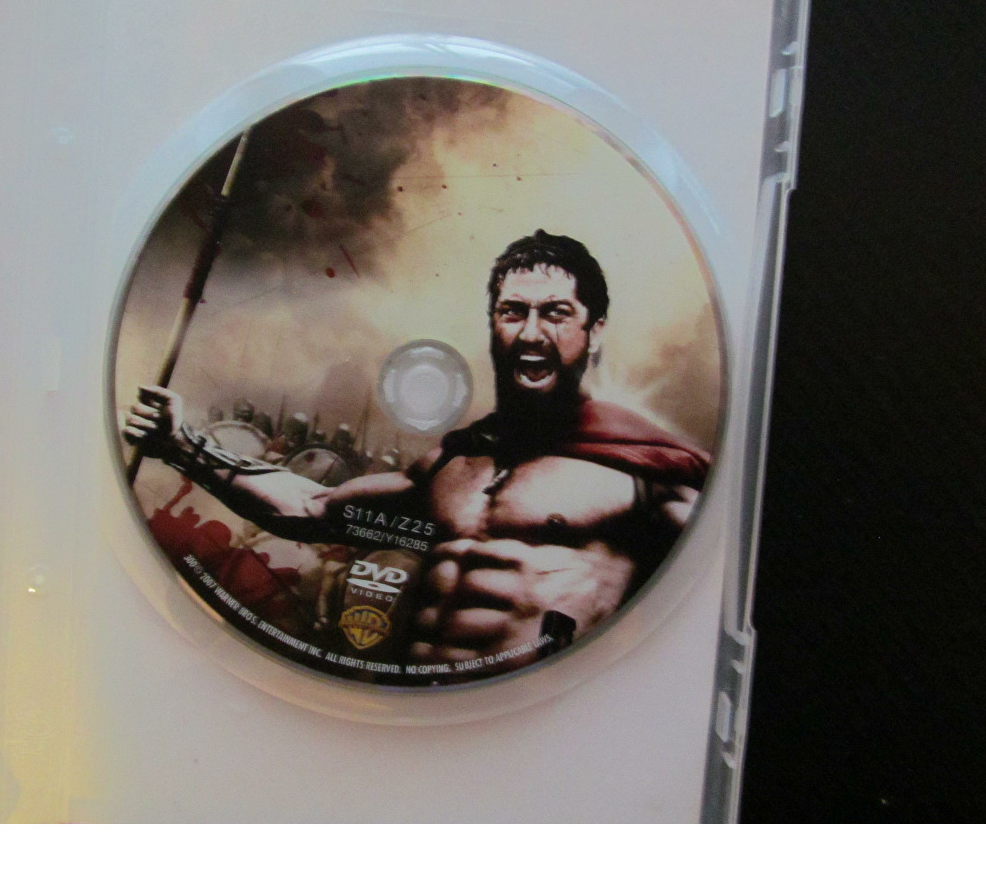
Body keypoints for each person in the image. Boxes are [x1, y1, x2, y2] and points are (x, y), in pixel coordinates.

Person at [123, 231, 710, 674]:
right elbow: (309, 509)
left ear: (595, 330)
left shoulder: (646, 475)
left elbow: (701, 605)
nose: (532, 333)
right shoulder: (455, 467)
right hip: (416, 720)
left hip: (541, 726)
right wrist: (180, 445)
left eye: (556, 313)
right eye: (513, 312)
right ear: (493, 324)